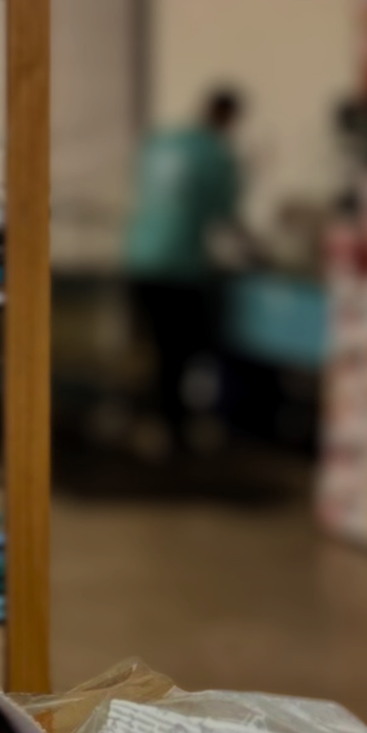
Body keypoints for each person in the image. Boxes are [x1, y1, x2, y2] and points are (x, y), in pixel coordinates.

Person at [119, 86, 256, 458]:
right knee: (179, 351)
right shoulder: (215, 154)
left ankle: (141, 421)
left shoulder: (161, 143)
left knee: (148, 346)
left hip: (139, 255)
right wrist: (255, 248)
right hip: (179, 265)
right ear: (228, 117)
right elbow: (225, 216)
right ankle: (173, 429)